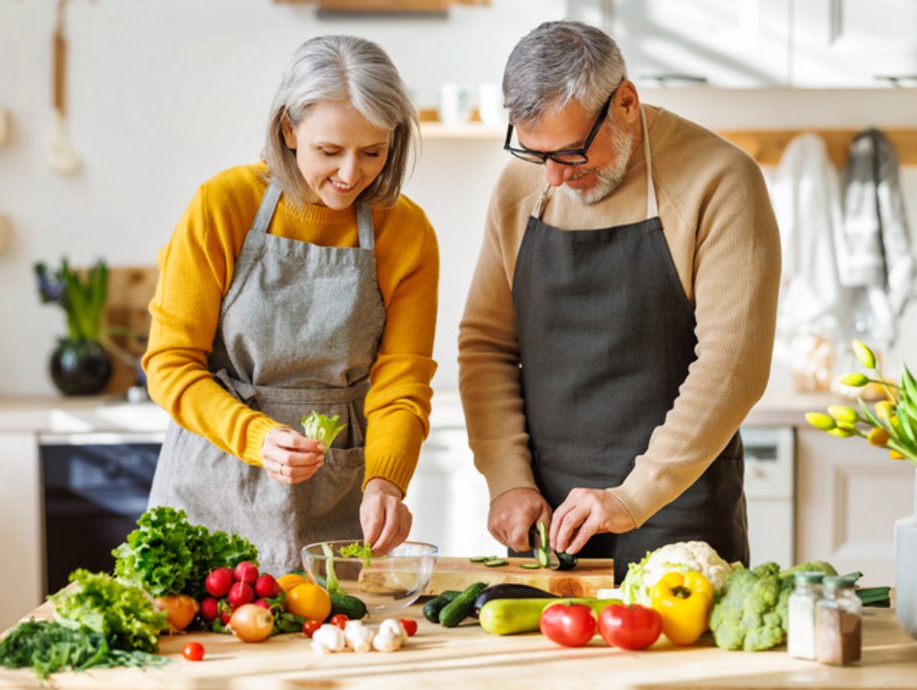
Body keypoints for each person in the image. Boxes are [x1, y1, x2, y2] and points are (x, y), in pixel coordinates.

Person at [457, 20, 781, 583]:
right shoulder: (521, 187)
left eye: (572, 152)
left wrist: (634, 496)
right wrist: (507, 479)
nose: (555, 177)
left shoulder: (720, 181)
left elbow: (733, 364)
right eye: (537, 155)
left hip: (680, 515)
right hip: (549, 526)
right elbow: (486, 345)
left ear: (626, 102)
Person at [144, 35, 438, 576]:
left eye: (373, 152)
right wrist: (256, 435)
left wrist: (385, 481)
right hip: (216, 479)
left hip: (336, 498)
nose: (351, 174)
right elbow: (169, 366)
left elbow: (402, 382)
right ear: (288, 128)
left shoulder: (407, 231)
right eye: (330, 151)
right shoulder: (223, 205)